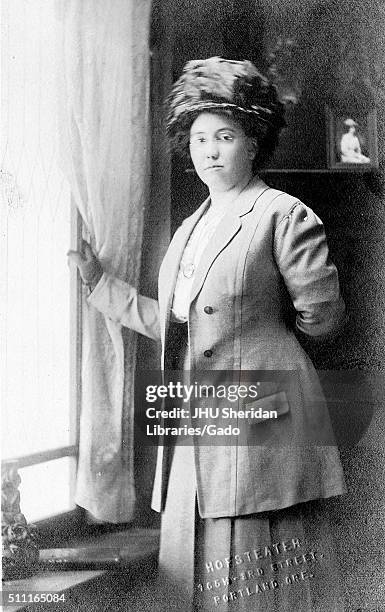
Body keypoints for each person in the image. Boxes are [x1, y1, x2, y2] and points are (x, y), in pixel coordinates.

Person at [68, 57, 347, 611]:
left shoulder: (281, 214)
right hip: (199, 420)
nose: (210, 150)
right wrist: (100, 285)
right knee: (195, 570)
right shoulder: (190, 229)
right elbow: (175, 322)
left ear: (254, 141)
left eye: (225, 136)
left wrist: (266, 346)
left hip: (265, 414)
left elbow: (324, 315)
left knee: (261, 574)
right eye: (199, 138)